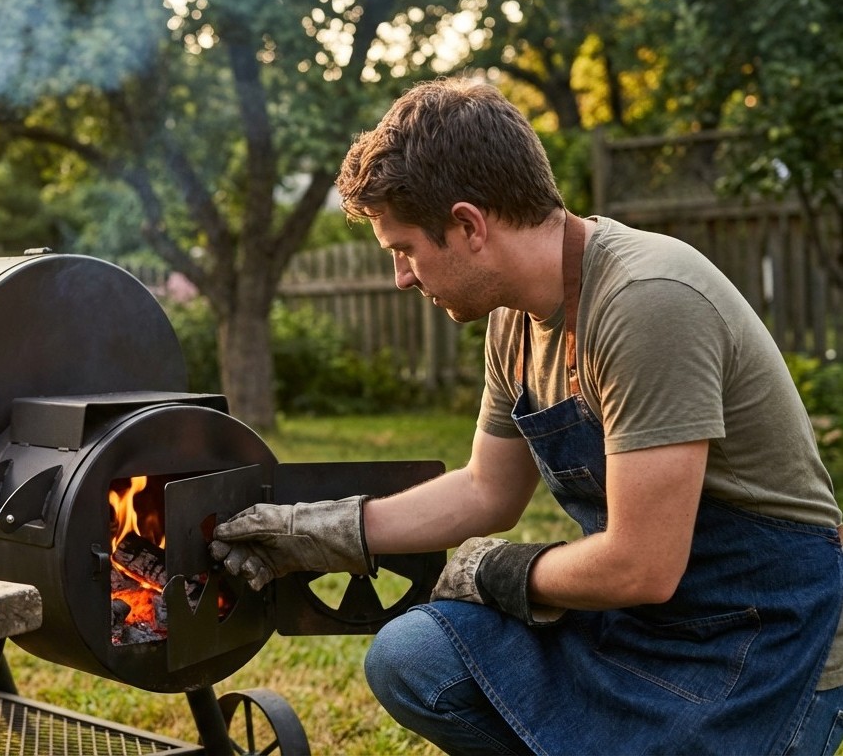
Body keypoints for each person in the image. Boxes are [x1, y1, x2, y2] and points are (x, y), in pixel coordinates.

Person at [208, 76, 843, 755]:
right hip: (633, 621)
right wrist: (319, 531)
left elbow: (643, 565)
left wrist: (499, 571)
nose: (402, 276)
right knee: (414, 657)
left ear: (468, 225)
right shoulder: (512, 321)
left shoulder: (646, 301)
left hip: (766, 638)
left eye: (404, 249)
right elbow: (487, 489)